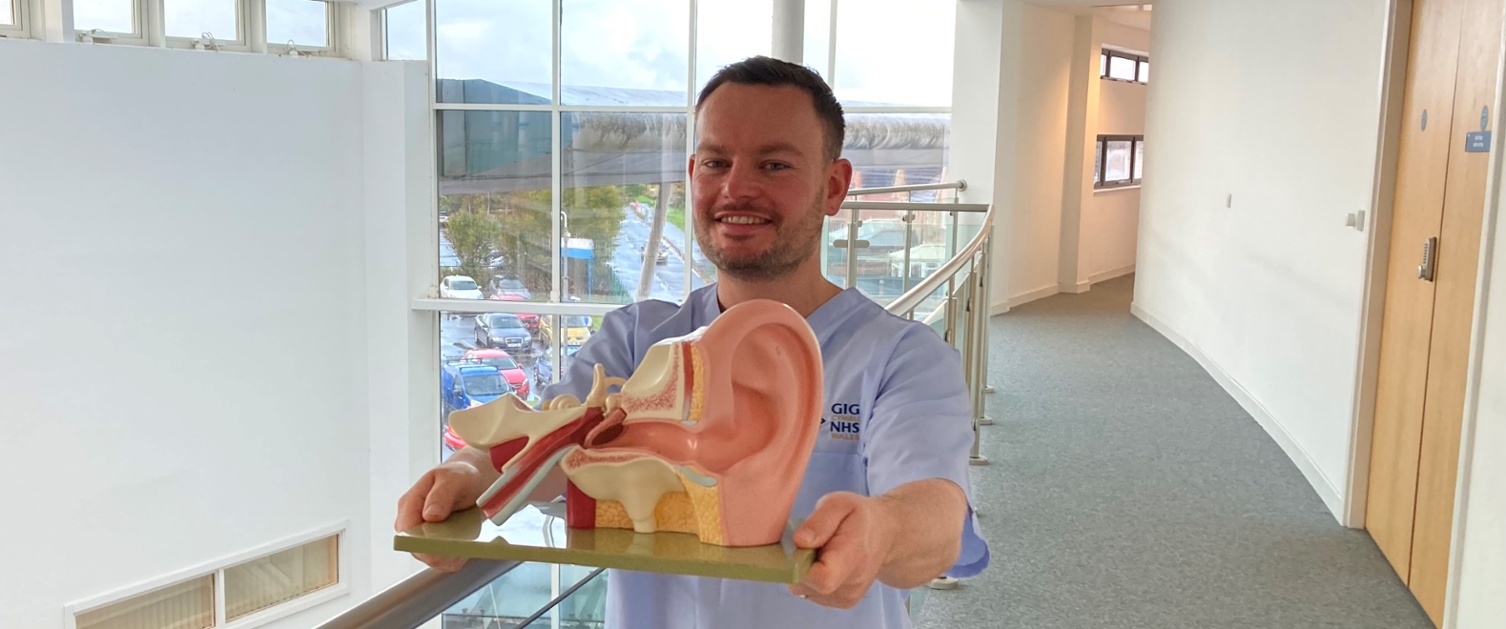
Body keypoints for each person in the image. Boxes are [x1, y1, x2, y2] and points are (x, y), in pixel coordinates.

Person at [395, 55, 989, 628]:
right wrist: (469, 472)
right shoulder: (634, 340)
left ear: (834, 188)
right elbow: (551, 441)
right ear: (691, 175)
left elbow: (935, 518)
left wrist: (881, 527)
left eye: (774, 165)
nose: (737, 189)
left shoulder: (900, 358)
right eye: (715, 162)